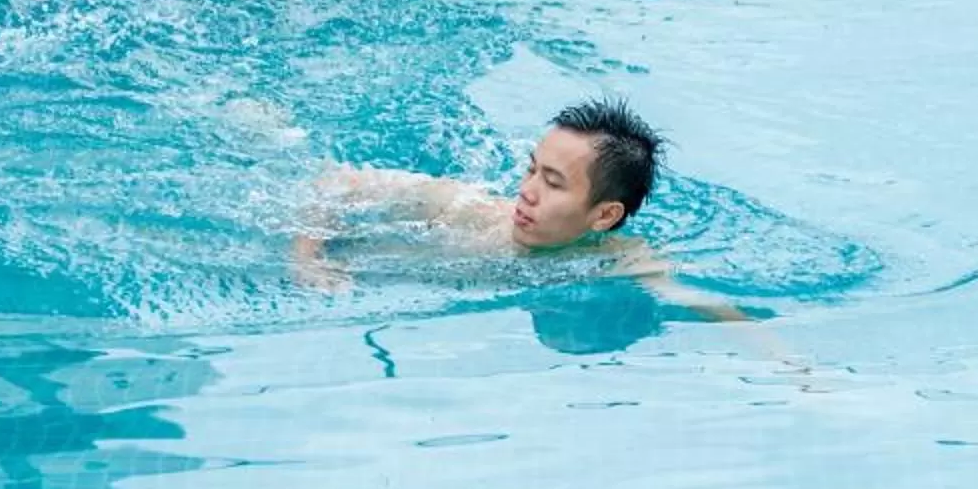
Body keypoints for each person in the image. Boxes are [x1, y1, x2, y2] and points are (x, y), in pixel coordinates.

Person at [288, 96, 751, 323]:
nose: (526, 193)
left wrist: (798, 374)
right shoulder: (465, 209)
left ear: (605, 216)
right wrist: (308, 257)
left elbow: (708, 305)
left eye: (552, 183)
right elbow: (339, 184)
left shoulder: (623, 259)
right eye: (532, 171)